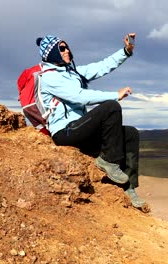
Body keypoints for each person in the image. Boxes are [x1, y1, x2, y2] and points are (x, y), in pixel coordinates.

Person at [36, 33, 146, 209]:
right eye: (61, 48)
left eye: (66, 47)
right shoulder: (49, 77)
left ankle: (128, 187)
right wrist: (115, 95)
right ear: (51, 53)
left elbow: (102, 66)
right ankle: (108, 161)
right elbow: (79, 96)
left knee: (130, 134)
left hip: (81, 130)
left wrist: (125, 51)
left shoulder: (72, 72)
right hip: (65, 133)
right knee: (111, 107)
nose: (66, 50)